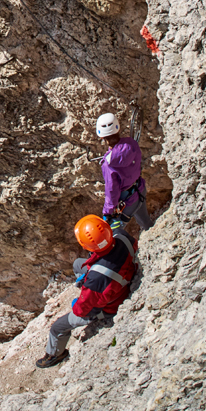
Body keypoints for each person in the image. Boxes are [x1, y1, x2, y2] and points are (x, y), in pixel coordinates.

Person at [36, 214, 139, 368]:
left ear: (87, 247)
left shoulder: (97, 280)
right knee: (79, 264)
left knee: (58, 327)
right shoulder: (121, 235)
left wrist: (77, 302)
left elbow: (83, 310)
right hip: (120, 273)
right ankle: (85, 281)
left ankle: (54, 355)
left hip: (110, 305)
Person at [96, 113, 154, 231]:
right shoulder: (131, 143)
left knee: (112, 231)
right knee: (145, 220)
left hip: (128, 201)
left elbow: (112, 190)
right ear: (118, 128)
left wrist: (108, 212)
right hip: (140, 189)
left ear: (101, 137)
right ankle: (151, 233)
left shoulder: (108, 164)